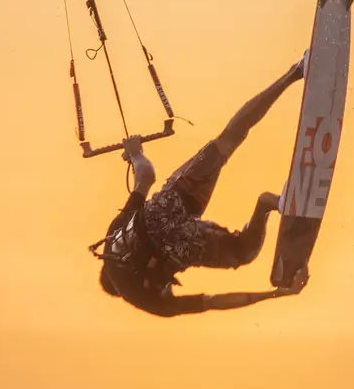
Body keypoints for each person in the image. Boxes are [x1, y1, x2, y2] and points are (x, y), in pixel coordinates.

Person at [96, 57, 311, 316]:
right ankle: (296, 71)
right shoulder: (114, 237)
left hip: (180, 246)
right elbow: (146, 177)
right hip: (164, 208)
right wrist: (136, 153)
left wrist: (278, 294)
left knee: (243, 252)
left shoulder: (148, 302)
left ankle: (268, 204)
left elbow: (213, 302)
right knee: (228, 139)